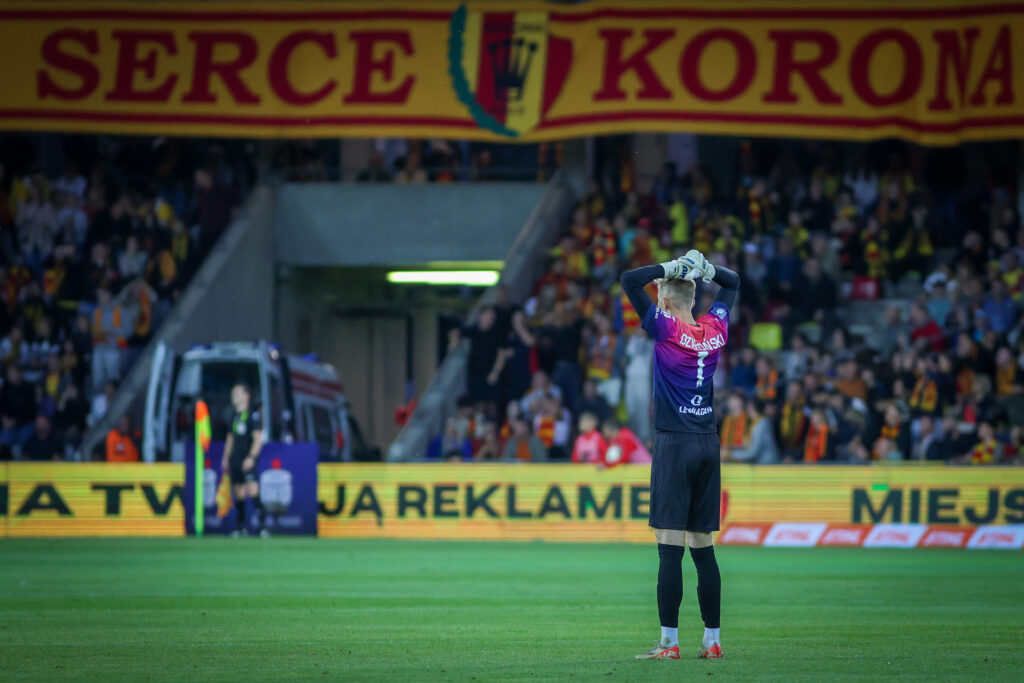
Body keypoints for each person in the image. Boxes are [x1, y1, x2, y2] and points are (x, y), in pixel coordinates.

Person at [621, 248, 738, 660]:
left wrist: (668, 269)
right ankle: (713, 640)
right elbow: (733, 283)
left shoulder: (665, 328)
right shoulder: (715, 327)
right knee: (703, 546)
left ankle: (669, 643)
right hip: (708, 442)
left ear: (665, 301)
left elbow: (628, 279)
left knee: (669, 543)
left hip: (674, 441)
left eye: (660, 297)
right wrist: (708, 270)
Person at [220, 383, 268, 537]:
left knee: (252, 489)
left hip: (247, 459)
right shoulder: (233, 416)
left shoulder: (252, 416)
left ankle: (262, 527)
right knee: (238, 492)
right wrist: (226, 458)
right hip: (235, 459)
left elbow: (257, 439)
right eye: (233, 393)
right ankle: (241, 527)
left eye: (237, 392)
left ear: (246, 395)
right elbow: (230, 438)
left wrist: (252, 457)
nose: (234, 395)